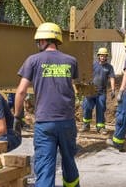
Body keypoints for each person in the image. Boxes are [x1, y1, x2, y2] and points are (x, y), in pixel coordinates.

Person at [13, 22, 80, 187]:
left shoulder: (33, 60)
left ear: (44, 41)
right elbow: (71, 87)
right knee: (69, 161)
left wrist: (17, 116)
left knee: (45, 166)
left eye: (39, 41)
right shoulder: (71, 61)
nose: (38, 44)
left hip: (45, 122)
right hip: (67, 121)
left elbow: (21, 91)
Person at [80, 47, 115, 134]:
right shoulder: (93, 65)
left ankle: (100, 127)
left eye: (104, 56)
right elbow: (86, 75)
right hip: (90, 91)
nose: (102, 57)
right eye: (101, 56)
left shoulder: (109, 67)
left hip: (101, 93)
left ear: (107, 56)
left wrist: (113, 89)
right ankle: (86, 125)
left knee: (101, 109)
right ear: (98, 56)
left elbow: (112, 78)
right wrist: (84, 86)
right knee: (87, 108)